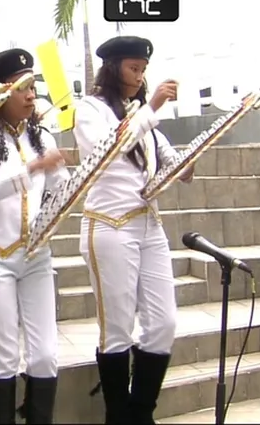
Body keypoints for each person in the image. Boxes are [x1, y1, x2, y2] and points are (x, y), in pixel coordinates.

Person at [74, 36, 186, 424]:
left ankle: (141, 413)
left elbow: (168, 156)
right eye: (133, 69)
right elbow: (110, 149)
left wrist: (185, 165)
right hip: (109, 224)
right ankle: (117, 416)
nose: (139, 77)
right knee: (117, 327)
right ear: (113, 67)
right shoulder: (90, 109)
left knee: (163, 323)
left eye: (143, 70)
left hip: (148, 224)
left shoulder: (144, 115)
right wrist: (151, 107)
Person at [0, 48, 68, 424]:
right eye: (22, 88)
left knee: (44, 355)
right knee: (4, 357)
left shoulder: (40, 134)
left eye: (33, 86)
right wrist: (33, 167)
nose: (31, 95)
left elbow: (60, 187)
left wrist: (63, 179)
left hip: (36, 254)